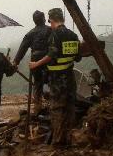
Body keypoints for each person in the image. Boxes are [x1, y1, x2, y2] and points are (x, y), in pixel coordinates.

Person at [29, 8, 80, 148]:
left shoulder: (54, 35)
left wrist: (35, 64)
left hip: (57, 80)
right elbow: (78, 57)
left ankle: (58, 142)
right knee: (70, 108)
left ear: (51, 20)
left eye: (49, 21)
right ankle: (69, 140)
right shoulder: (73, 35)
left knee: (57, 109)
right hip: (70, 78)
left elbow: (51, 55)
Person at [13, 10, 51, 115]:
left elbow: (22, 49)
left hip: (35, 60)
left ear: (34, 21)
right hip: (49, 59)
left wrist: (16, 62)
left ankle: (37, 108)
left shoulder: (30, 33)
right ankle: (54, 105)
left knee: (38, 84)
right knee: (52, 81)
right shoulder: (51, 30)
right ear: (44, 19)